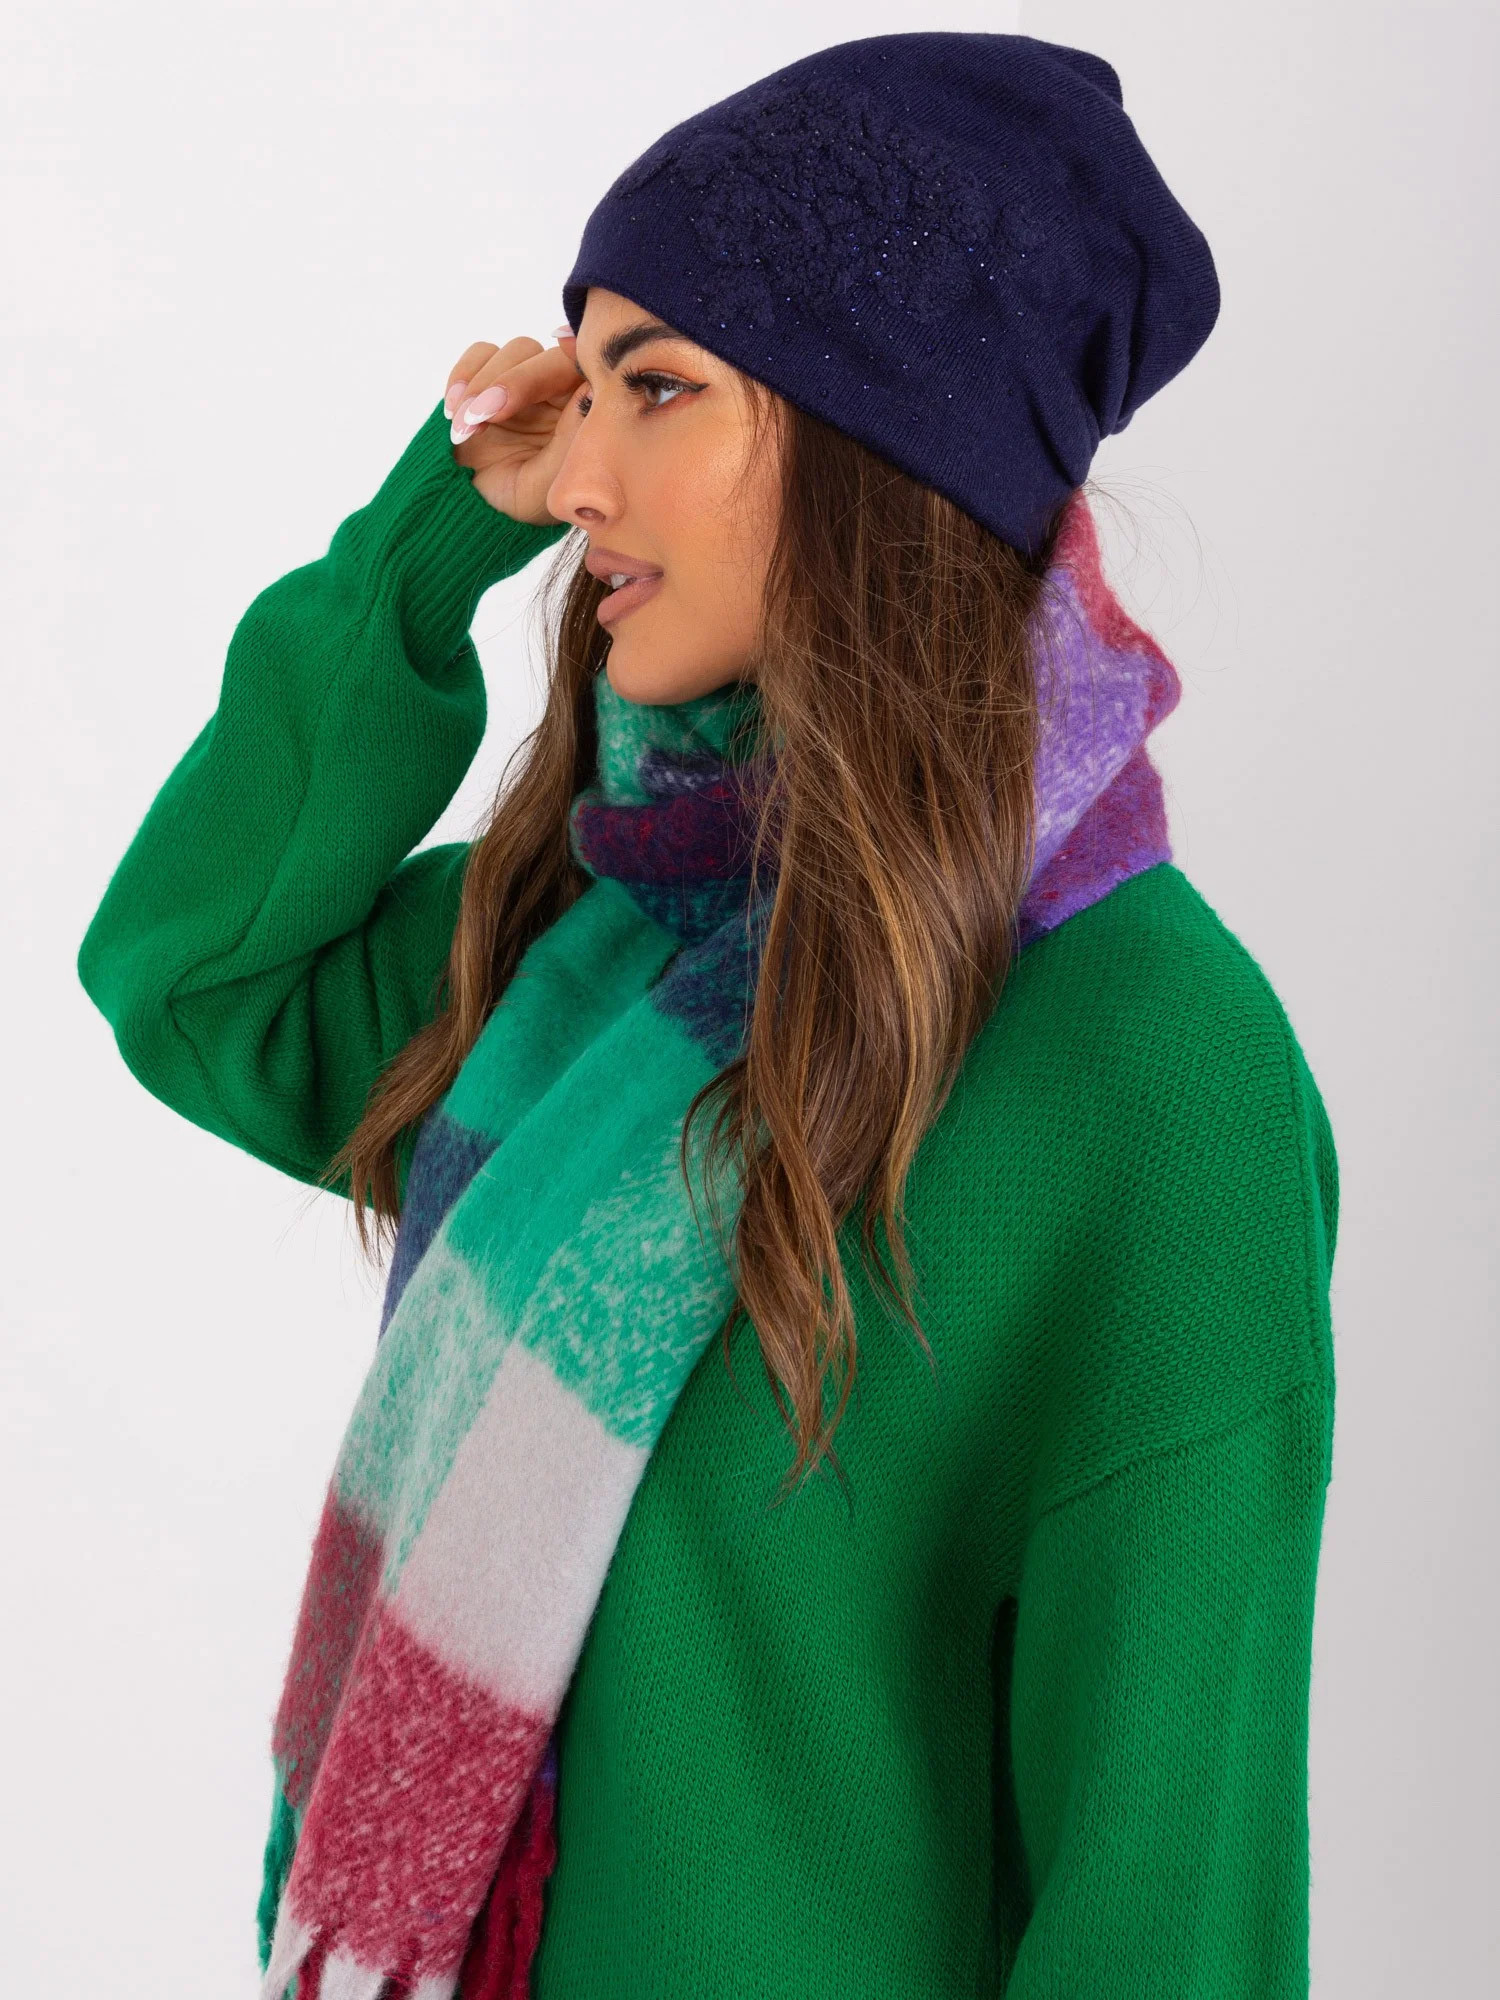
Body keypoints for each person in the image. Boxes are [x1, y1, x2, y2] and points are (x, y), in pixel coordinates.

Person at [75, 31, 1338, 2000]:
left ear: (893, 438)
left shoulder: (1153, 1063)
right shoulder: (589, 940)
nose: (579, 474)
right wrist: (426, 548)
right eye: (582, 387)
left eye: (657, 387)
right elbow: (190, 976)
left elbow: (1168, 1904)